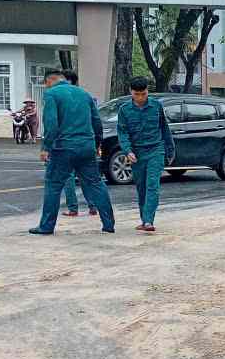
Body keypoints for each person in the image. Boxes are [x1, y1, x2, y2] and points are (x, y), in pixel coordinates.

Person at [29, 69, 116, 235]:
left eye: (46, 84)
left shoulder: (51, 94)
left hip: (64, 147)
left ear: (49, 81)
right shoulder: (84, 94)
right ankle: (108, 224)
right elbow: (96, 122)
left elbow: (51, 124)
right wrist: (96, 144)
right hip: (86, 146)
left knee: (53, 184)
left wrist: (46, 147)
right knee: (96, 183)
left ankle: (46, 226)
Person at [117, 76, 173, 233]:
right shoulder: (124, 110)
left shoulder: (156, 106)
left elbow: (164, 128)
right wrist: (128, 151)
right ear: (131, 92)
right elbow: (122, 133)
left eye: (144, 94)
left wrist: (170, 150)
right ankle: (144, 219)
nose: (141, 97)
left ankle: (148, 221)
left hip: (156, 149)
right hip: (137, 153)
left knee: (152, 185)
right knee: (141, 187)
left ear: (148, 91)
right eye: (137, 94)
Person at [58, 71, 102, 218]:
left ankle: (73, 208)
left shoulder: (60, 99)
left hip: (67, 144)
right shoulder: (86, 97)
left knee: (68, 177)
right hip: (86, 143)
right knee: (87, 177)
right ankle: (93, 206)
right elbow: (96, 121)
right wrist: (97, 142)